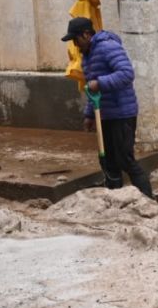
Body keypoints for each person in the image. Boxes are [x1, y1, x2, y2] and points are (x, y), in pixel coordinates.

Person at [61, 16, 153, 197]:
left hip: (121, 112)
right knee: (107, 160)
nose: (75, 44)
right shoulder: (87, 55)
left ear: (87, 35)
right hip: (105, 114)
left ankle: (147, 199)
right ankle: (115, 197)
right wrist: (88, 115)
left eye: (76, 39)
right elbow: (91, 88)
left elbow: (126, 73)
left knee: (125, 159)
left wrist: (100, 83)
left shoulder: (107, 47)